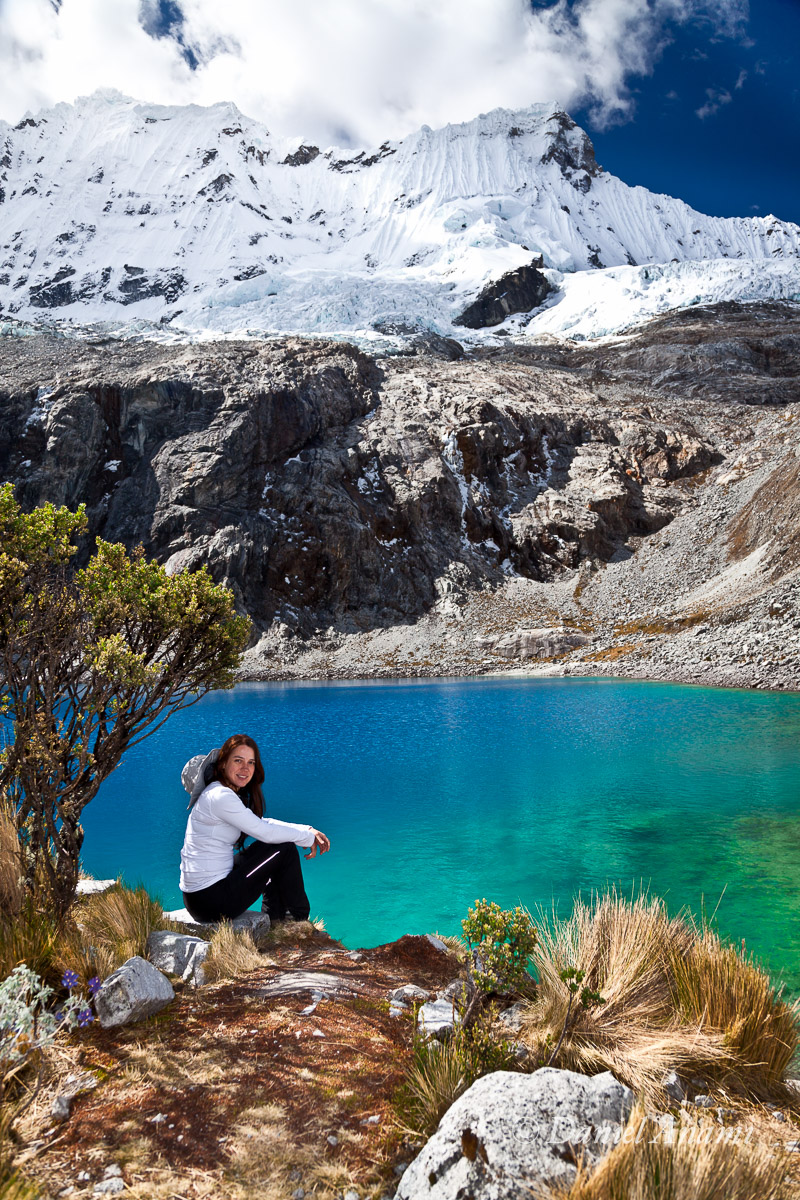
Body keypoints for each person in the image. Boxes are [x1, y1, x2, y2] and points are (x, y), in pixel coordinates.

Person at [179, 733, 329, 924]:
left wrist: (307, 830)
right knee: (284, 849)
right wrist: (307, 838)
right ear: (222, 764)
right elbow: (264, 831)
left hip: (201, 898)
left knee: (271, 850)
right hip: (212, 903)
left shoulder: (216, 794)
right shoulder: (220, 796)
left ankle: (276, 915)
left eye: (251, 762)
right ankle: (297, 919)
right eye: (238, 761)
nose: (245, 768)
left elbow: (261, 823)